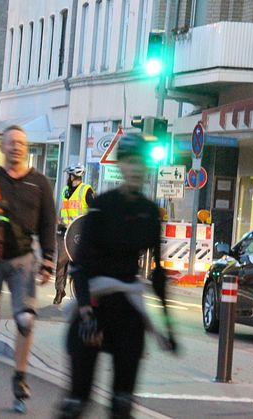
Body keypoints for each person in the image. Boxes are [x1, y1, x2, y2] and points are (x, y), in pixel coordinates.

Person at [56, 133, 172, 419]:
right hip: (94, 300)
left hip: (126, 304)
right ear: (121, 165)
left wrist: (169, 327)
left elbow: (157, 274)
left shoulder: (149, 212)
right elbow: (80, 267)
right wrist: (85, 313)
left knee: (122, 403)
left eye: (142, 163)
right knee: (77, 401)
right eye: (131, 162)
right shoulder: (102, 206)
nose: (137, 169)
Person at [0, 125, 56, 413]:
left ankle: (20, 378)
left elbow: (47, 223)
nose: (16, 147)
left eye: (21, 143)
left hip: (23, 258)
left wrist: (48, 258)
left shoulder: (39, 183)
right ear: (2, 148)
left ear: (26, 147)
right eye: (11, 143)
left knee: (25, 320)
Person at [54, 164, 95, 305]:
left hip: (78, 233)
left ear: (72, 176)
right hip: (64, 230)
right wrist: (58, 217)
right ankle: (59, 291)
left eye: (69, 176)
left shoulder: (86, 190)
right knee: (61, 261)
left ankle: (81, 291)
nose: (68, 178)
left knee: (79, 262)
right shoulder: (65, 190)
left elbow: (94, 210)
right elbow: (63, 208)